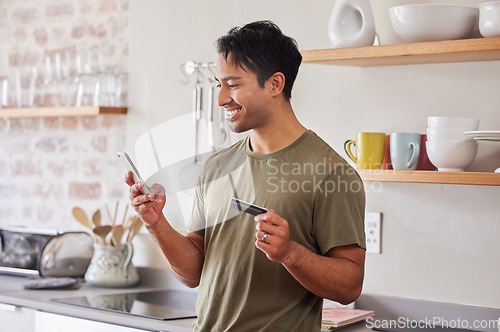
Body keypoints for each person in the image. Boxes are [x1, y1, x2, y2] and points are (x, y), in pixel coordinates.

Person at [127, 20, 366, 332]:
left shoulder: (332, 173)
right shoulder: (215, 168)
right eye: (219, 85)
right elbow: (193, 274)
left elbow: (349, 287)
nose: (221, 99)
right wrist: (155, 223)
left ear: (275, 84)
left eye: (234, 85)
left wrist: (290, 253)